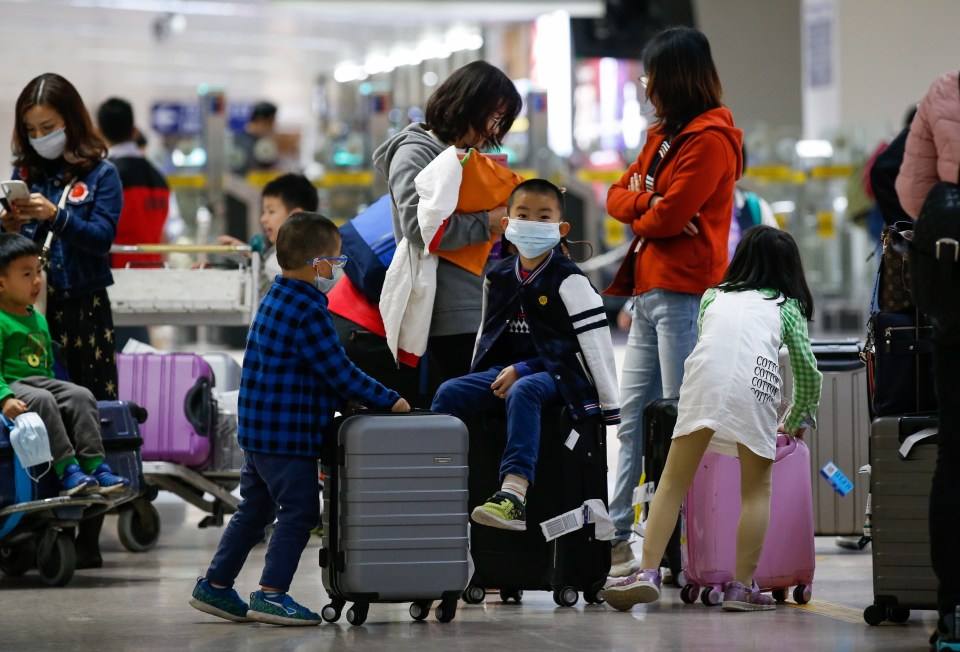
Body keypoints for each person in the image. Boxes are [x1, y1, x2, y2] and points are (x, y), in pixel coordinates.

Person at [189, 212, 411, 626]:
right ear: (317, 264)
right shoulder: (308, 311)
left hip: (258, 433)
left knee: (254, 510)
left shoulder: (276, 298)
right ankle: (272, 594)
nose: (339, 270)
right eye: (336, 261)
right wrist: (390, 400)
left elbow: (308, 369)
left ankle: (216, 586)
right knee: (300, 511)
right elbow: (338, 369)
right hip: (285, 437)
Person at [603, 225, 822, 613]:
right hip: (755, 388)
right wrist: (795, 417)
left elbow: (716, 345)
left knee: (671, 484)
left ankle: (649, 572)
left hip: (701, 383)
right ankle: (740, 587)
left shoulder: (713, 296)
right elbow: (807, 370)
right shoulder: (786, 305)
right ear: (789, 270)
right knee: (755, 492)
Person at [603, 27, 743, 576]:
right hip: (648, 292)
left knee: (680, 424)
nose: (645, 87)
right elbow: (619, 197)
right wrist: (649, 201)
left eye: (650, 76)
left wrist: (653, 207)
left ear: (673, 77)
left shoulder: (710, 139)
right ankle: (615, 538)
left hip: (685, 294)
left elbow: (664, 216)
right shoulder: (662, 135)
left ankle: (680, 541)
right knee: (633, 420)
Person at [431, 179, 619, 530]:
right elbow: (487, 338)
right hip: (512, 370)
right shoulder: (499, 275)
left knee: (524, 389)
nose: (533, 223)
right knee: (450, 391)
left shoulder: (569, 280)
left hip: (564, 376)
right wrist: (493, 371)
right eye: (524, 214)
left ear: (561, 228)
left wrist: (526, 369)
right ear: (507, 223)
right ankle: (440, 485)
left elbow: (587, 348)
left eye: (544, 217)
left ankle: (513, 495)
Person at [3, 74, 123, 570]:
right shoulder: (23, 173)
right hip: (28, 311)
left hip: (83, 310)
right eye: (31, 129)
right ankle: (36, 522)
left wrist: (56, 215)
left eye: (48, 126)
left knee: (87, 401)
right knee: (39, 404)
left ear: (70, 122)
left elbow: (101, 237)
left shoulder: (101, 176)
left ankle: (89, 530)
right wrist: (9, 225)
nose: (39, 136)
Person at [373, 60, 522, 385]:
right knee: (467, 411)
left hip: (488, 300)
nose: (496, 131)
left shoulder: (472, 156)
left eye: (502, 122)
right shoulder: (414, 154)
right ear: (467, 104)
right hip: (452, 310)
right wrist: (488, 222)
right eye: (494, 118)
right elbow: (417, 228)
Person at [894, 70, 960, 652]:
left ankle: (954, 610)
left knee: (956, 459)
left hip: (955, 303)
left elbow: (913, 197)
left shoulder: (945, 91)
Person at [0, 233, 129, 496]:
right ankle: (67, 469)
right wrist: (5, 399)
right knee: (44, 399)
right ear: (1, 284)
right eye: (26, 275)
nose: (37, 281)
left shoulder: (38, 319)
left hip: (41, 382)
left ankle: (95, 465)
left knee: (80, 395)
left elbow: (46, 368)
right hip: (14, 385)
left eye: (38, 271)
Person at [96, 97, 173, 350]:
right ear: (134, 131)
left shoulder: (105, 175)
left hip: (113, 281)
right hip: (150, 277)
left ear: (99, 132)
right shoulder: (159, 177)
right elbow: (165, 234)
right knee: (140, 358)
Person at [218, 173, 318, 301]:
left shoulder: (304, 261)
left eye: (271, 211)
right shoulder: (278, 253)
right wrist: (251, 257)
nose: (263, 219)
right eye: (263, 212)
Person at [231, 101, 278, 175]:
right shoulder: (241, 141)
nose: (272, 127)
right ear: (261, 120)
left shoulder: (262, 140)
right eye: (271, 123)